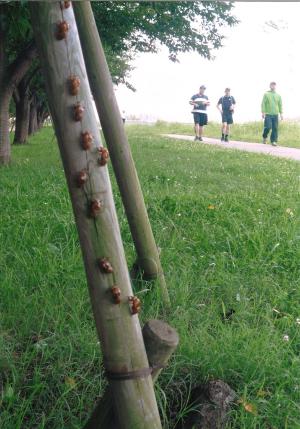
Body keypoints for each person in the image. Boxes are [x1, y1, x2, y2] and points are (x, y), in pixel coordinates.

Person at [261, 82, 283, 146]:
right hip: (268, 114)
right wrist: (263, 112)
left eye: (274, 85)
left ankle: (273, 141)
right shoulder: (266, 94)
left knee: (275, 128)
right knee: (268, 127)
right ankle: (264, 136)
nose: (273, 86)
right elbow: (263, 104)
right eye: (272, 85)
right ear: (270, 86)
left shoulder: (278, 95)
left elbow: (280, 105)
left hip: (275, 114)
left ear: (275, 86)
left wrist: (281, 114)